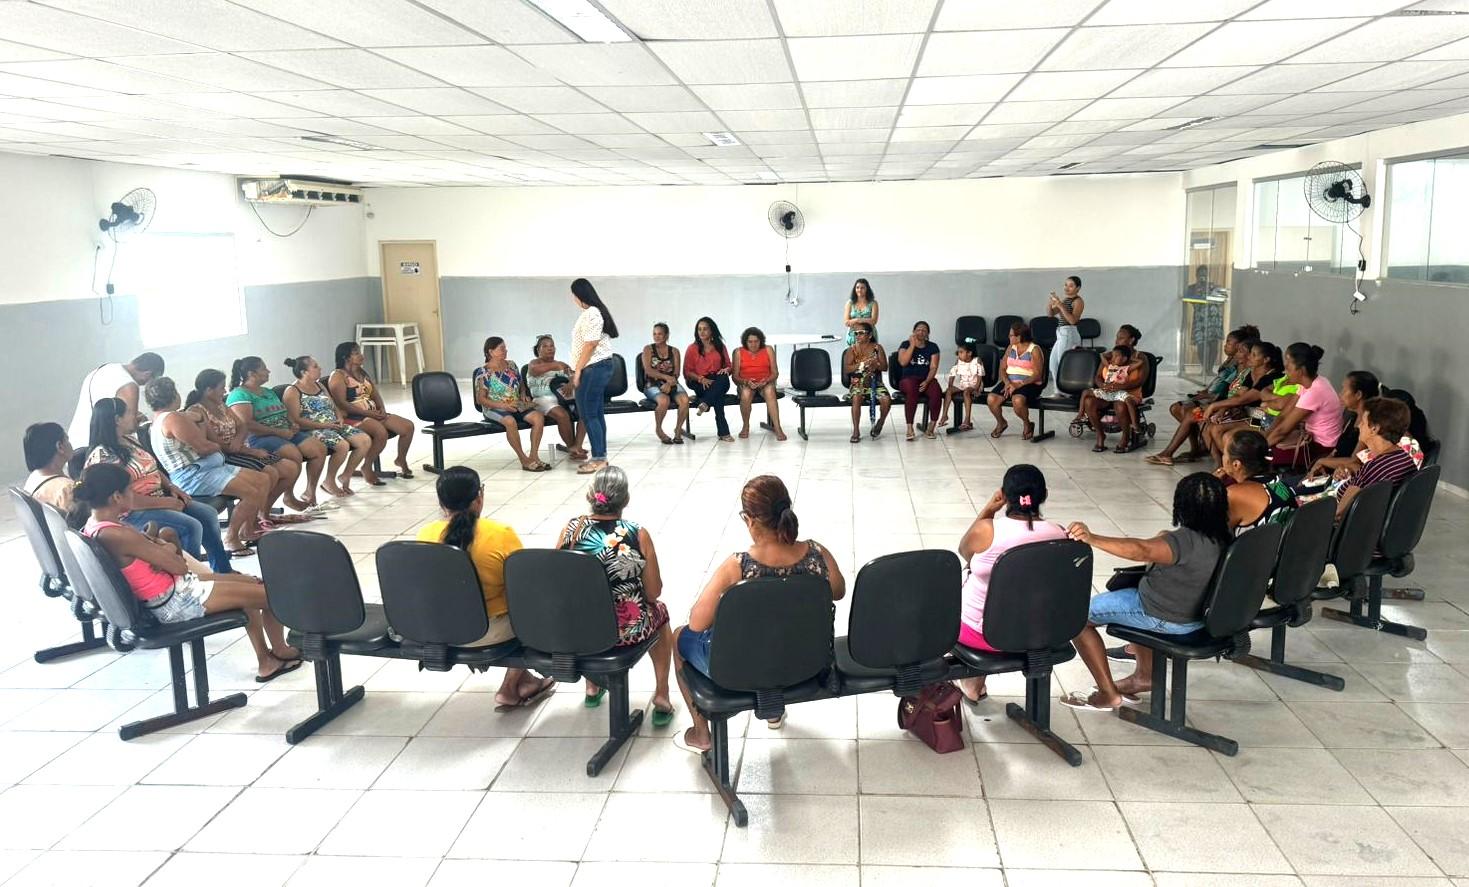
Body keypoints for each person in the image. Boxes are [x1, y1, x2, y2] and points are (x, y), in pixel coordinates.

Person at [74, 463, 301, 682]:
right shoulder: (119, 535)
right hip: (175, 601)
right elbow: (180, 565)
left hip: (169, 591)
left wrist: (158, 547)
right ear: (116, 497)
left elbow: (155, 549)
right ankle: (277, 651)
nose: (134, 494)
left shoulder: (94, 525)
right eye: (130, 490)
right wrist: (165, 549)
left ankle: (268, 659)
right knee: (272, 594)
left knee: (251, 583)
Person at [672, 475, 846, 753]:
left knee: (679, 636)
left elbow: (697, 622)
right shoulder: (817, 553)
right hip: (806, 662)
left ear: (750, 520)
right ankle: (774, 712)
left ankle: (702, 733)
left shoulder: (738, 566)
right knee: (781, 630)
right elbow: (838, 590)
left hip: (744, 668)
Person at [1061, 473, 1232, 711]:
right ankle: (1144, 676)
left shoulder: (1184, 541)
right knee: (1128, 594)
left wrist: (1092, 538)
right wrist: (1164, 539)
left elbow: (1141, 550)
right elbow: (1157, 547)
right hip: (1196, 615)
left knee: (1076, 617)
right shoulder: (1223, 535)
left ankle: (1108, 693)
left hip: (1164, 616)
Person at [417, 466, 555, 710]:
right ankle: (510, 686)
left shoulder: (425, 534)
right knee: (541, 606)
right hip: (489, 631)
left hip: (441, 630)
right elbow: (526, 586)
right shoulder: (498, 533)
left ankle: (526, 681)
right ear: (479, 497)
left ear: (441, 501)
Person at [557, 466, 675, 725]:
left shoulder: (572, 529)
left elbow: (560, 581)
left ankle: (591, 687)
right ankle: (662, 694)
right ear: (626, 499)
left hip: (577, 630)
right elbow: (653, 593)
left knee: (584, 606)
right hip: (622, 631)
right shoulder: (636, 533)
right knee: (661, 613)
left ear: (591, 496)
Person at [80, 397, 237, 575]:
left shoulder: (129, 440)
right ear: (117, 419)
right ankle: (191, 578)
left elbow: (151, 467)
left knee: (207, 514)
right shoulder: (104, 456)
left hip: (158, 497)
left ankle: (223, 571)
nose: (136, 415)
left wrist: (171, 487)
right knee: (190, 526)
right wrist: (166, 503)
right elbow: (125, 500)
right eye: (130, 413)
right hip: (132, 512)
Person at [954, 465, 1068, 705]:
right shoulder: (1059, 534)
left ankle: (970, 680)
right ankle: (975, 683)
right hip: (1040, 632)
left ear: (1003, 496)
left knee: (972, 589)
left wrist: (987, 511)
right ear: (1044, 495)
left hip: (983, 635)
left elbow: (965, 552)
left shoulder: (987, 530)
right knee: (1015, 595)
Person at [146, 377, 272, 556]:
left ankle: (247, 529)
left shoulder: (163, 418)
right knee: (252, 492)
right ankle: (231, 538)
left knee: (263, 479)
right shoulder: (172, 418)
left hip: (209, 468)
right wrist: (216, 445)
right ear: (173, 395)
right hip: (193, 475)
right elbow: (204, 447)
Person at [185, 369, 307, 518]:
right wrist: (249, 451)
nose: (225, 391)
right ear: (209, 390)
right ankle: (251, 519)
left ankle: (264, 511)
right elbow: (212, 442)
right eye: (221, 387)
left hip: (240, 448)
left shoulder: (221, 405)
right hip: (225, 455)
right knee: (271, 473)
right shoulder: (197, 411)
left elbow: (242, 425)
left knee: (290, 468)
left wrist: (238, 441)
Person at [227, 357, 332, 511]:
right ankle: (286, 497)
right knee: (293, 454)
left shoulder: (268, 392)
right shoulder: (239, 395)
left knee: (318, 449)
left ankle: (310, 492)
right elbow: (247, 424)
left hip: (284, 432)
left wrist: (292, 424)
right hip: (259, 438)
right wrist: (278, 432)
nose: (268, 371)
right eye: (264, 369)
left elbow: (284, 412)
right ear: (252, 373)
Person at [1148, 331, 1257, 466]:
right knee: (1192, 415)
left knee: (1195, 417)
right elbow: (1232, 394)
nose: (1237, 354)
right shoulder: (1242, 371)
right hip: (1228, 408)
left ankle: (1172, 454)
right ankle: (1202, 455)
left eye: (1241, 351)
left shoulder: (1254, 375)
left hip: (1239, 413)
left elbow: (1241, 398)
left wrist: (1217, 407)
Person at [283, 356, 372, 497]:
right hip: (313, 429)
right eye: (315, 366)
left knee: (364, 440)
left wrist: (339, 417)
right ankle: (329, 481)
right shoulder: (292, 391)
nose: (320, 368)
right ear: (304, 372)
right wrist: (323, 425)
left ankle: (346, 475)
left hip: (333, 425)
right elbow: (296, 420)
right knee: (342, 445)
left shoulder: (319, 385)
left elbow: (333, 405)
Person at [326, 342, 416, 480]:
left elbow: (375, 394)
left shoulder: (362, 372)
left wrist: (382, 409)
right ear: (346, 357)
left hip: (372, 413)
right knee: (380, 432)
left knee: (407, 427)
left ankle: (401, 459)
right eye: (356, 353)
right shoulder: (337, 376)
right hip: (353, 416)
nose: (361, 355)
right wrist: (368, 414)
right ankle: (366, 467)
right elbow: (342, 403)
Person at [1196, 341, 1287, 466]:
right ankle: (1222, 465)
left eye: (1254, 355)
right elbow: (1239, 395)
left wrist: (1214, 406)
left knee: (1228, 436)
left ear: (1266, 360)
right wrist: (1222, 410)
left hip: (1263, 417)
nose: (1249, 357)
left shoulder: (1271, 377)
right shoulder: (1252, 373)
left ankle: (1239, 466)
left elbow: (1244, 399)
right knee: (1212, 428)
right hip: (1251, 414)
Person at [1332, 397, 1420, 521]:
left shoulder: (1375, 466)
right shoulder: (1403, 458)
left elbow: (1338, 513)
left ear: (1374, 428)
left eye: (1362, 422)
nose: (1359, 426)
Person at [473, 337, 550, 472]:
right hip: (494, 407)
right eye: (501, 348)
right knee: (510, 421)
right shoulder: (484, 372)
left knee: (538, 417)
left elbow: (520, 385)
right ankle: (523, 459)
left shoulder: (512, 365)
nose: (505, 350)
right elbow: (481, 400)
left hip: (515, 403)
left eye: (505, 348)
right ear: (491, 351)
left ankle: (534, 456)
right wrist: (503, 406)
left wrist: (523, 395)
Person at [568, 278, 619, 474]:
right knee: (595, 413)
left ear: (580, 295)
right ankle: (600, 456)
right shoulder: (593, 312)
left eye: (574, 295)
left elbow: (591, 344)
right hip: (596, 368)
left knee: (588, 414)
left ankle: (599, 458)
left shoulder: (592, 313)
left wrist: (578, 370)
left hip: (593, 368)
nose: (573, 299)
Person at [1265, 343, 1341, 471]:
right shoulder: (1307, 383)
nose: (1285, 372)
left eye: (1289, 368)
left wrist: (1259, 448)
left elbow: (1282, 430)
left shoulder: (1315, 391)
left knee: (1265, 457)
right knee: (1259, 441)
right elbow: (1284, 414)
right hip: (1305, 436)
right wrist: (1265, 438)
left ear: (1301, 371)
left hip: (1320, 447)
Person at [67, 352, 165, 445]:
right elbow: (129, 426)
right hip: (99, 447)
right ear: (147, 374)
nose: (144, 384)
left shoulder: (104, 369)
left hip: (76, 440)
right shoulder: (129, 385)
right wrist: (140, 421)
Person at [1216, 429, 1296, 533]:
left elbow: (1216, 534)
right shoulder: (1277, 482)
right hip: (1285, 545)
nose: (1223, 457)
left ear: (1236, 464)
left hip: (1259, 548)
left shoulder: (1233, 494)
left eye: (1224, 454)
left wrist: (1212, 485)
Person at [1306, 370, 1381, 477]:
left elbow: (1354, 461)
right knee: (1280, 488)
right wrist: (1319, 466)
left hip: (1343, 477)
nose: (1340, 394)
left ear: (1358, 394)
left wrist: (1322, 461)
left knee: (1282, 491)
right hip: (1329, 472)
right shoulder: (1352, 416)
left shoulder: (1368, 425)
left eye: (1344, 390)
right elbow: (1336, 452)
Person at [525, 335, 583, 459]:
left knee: (587, 412)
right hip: (543, 399)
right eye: (545, 346)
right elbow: (535, 370)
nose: (549, 349)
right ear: (538, 350)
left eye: (551, 346)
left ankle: (577, 445)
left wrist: (570, 383)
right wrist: (556, 366)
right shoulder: (533, 364)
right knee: (562, 415)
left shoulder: (561, 364)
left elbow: (573, 375)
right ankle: (571, 447)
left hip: (564, 397)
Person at [986, 322, 1045, 440]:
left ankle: (1027, 423)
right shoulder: (1010, 347)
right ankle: (1001, 422)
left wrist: (1018, 385)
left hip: (1029, 382)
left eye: (1011, 335)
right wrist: (1007, 383)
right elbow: (1002, 368)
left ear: (1020, 337)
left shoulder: (1034, 349)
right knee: (991, 399)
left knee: (1017, 400)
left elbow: (1038, 375)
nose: (1009, 337)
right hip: (1010, 380)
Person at [1084, 344, 1145, 453]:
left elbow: (1139, 381)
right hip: (1108, 393)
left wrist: (1118, 387)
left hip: (1126, 394)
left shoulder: (1137, 361)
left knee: (1120, 405)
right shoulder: (1111, 362)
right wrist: (1102, 385)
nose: (1118, 340)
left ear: (1131, 340)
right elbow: (1098, 377)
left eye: (1122, 338)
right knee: (1089, 401)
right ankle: (1100, 435)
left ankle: (1126, 436)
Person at [685, 316, 735, 443]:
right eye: (699, 329)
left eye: (705, 329)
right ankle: (724, 433)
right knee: (718, 397)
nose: (701, 332)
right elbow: (687, 372)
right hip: (698, 381)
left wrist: (727, 370)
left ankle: (704, 402)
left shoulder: (719, 346)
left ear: (711, 331)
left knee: (722, 379)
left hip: (717, 380)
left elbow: (729, 365)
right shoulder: (692, 348)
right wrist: (701, 379)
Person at [732, 326, 786, 441]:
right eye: (750, 342)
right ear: (745, 342)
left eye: (756, 341)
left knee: (770, 391)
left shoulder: (768, 349)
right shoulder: (738, 352)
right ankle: (745, 426)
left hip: (765, 382)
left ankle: (777, 427)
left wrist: (766, 381)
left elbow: (775, 373)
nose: (753, 344)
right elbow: (735, 377)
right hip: (747, 383)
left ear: (760, 341)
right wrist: (746, 382)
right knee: (746, 394)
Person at [641, 323, 691, 445]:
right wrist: (666, 378)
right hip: (652, 383)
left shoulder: (674, 351)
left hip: (672, 382)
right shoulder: (648, 349)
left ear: (666, 335)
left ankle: (678, 430)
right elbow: (648, 370)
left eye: (660, 334)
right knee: (664, 401)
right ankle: (659, 429)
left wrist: (669, 383)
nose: (656, 336)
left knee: (685, 400)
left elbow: (677, 373)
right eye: (654, 334)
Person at [842, 322, 891, 442]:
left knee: (886, 400)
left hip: (875, 382)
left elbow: (885, 367)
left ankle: (880, 422)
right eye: (856, 333)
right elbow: (847, 369)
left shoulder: (877, 348)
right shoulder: (851, 350)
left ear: (869, 335)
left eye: (861, 333)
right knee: (856, 397)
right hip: (858, 382)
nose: (857, 336)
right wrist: (862, 364)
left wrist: (877, 364)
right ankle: (856, 430)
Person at [896, 321, 942, 440]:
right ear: (913, 331)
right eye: (918, 330)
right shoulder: (905, 344)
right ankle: (909, 427)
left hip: (926, 378)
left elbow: (933, 367)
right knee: (912, 389)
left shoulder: (933, 347)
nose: (921, 332)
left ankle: (931, 427)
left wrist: (927, 381)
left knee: (936, 391)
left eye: (924, 330)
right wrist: (912, 345)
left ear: (928, 333)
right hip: (908, 379)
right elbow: (903, 362)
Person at [22, 422, 75, 512]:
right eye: (67, 439)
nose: (70, 444)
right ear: (60, 447)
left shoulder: (34, 477)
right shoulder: (66, 488)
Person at [1046, 275, 1085, 394]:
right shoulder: (1064, 300)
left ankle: (1066, 392)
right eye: (1066, 285)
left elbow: (1073, 320)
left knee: (1064, 363)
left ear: (1078, 288)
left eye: (1071, 285)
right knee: (1053, 363)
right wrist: (1051, 302)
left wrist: (1060, 305)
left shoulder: (1078, 301)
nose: (1067, 288)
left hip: (1069, 332)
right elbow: (1050, 314)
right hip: (1061, 333)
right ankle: (1059, 391)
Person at [937, 340, 984, 431]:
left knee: (966, 392)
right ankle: (944, 415)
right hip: (964, 384)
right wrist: (950, 386)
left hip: (975, 385)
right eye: (958, 352)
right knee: (949, 391)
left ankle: (967, 419)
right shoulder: (958, 361)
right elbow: (952, 374)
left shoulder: (977, 360)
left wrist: (976, 389)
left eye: (961, 352)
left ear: (969, 353)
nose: (959, 354)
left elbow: (980, 376)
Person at [844, 278, 879, 346]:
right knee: (851, 355)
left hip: (869, 335)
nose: (859, 290)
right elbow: (846, 322)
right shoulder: (850, 303)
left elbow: (874, 321)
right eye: (857, 287)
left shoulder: (873, 303)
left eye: (862, 288)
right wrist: (861, 320)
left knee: (871, 355)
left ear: (867, 289)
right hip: (853, 335)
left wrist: (858, 320)